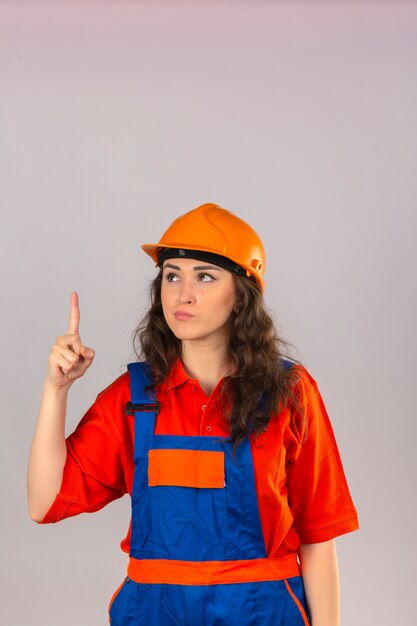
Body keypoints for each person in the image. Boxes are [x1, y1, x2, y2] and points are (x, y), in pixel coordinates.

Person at [27, 202, 359, 626]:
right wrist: (56, 390)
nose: (182, 294)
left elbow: (317, 537)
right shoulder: (134, 399)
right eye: (171, 276)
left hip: (263, 612)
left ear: (242, 295)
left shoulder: (289, 393)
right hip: (154, 612)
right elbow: (43, 502)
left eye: (204, 276)